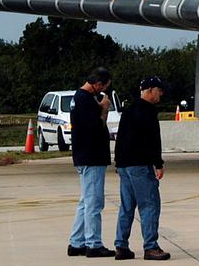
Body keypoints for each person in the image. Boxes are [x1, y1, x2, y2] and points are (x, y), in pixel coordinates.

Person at [114, 76, 170, 261]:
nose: (161, 94)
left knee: (127, 206)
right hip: (140, 165)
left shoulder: (129, 110)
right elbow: (153, 140)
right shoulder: (148, 112)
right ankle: (151, 247)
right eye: (159, 90)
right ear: (150, 90)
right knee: (150, 205)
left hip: (125, 165)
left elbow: (120, 137)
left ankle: (121, 246)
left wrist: (119, 163)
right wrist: (158, 163)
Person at [70, 66, 116, 258]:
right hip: (91, 156)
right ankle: (93, 243)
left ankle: (77, 242)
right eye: (105, 87)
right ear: (97, 84)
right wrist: (104, 109)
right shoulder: (85, 100)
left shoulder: (78, 99)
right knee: (94, 202)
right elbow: (96, 126)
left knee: (85, 201)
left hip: (83, 155)